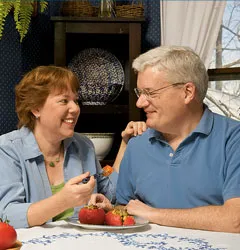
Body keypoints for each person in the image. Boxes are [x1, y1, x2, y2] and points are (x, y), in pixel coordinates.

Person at [90, 46, 240, 233]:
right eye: (140, 93)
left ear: (187, 92)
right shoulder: (136, 145)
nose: (140, 103)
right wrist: (112, 210)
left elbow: (235, 219)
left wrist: (154, 214)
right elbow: (129, 211)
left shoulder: (234, 139)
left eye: (151, 93)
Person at [0, 65, 146, 229]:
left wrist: (125, 143)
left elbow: (109, 194)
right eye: (64, 101)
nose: (76, 108)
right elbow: (8, 216)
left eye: (76, 100)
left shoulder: (83, 145)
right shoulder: (7, 149)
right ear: (36, 108)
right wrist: (62, 201)